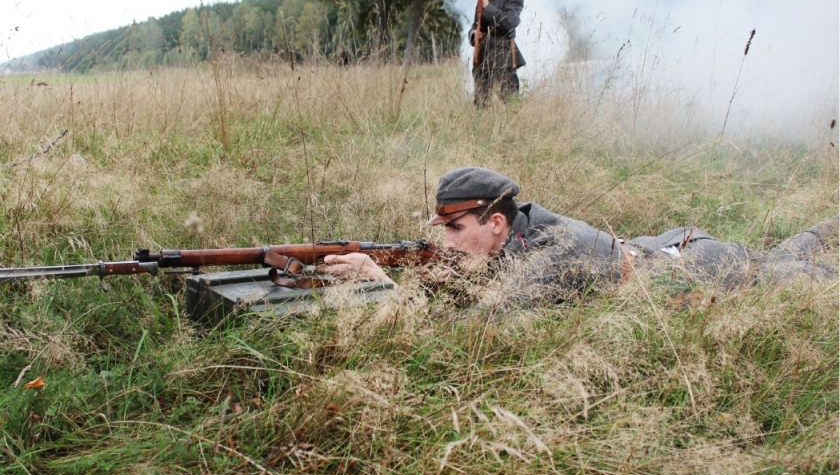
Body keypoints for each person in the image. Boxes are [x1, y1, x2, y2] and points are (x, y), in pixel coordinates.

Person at [322, 167, 838, 308]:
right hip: (662, 245)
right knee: (784, 253)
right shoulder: (513, 236)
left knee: (809, 279)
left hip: (697, 268)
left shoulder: (550, 255)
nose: (449, 242)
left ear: (495, 223)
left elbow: (480, 328)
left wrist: (382, 284)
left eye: (456, 229)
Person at [470, 0, 527, 106]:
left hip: (504, 53)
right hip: (483, 54)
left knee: (509, 100)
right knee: (481, 101)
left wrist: (488, 7)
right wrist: (474, 35)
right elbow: (476, 25)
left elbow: (509, 23)